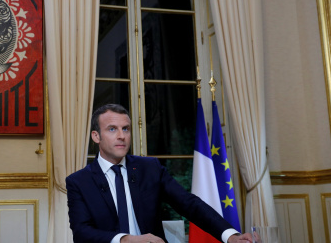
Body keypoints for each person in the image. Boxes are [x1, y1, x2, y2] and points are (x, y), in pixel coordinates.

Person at [66, 104, 253, 243]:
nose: (122, 136)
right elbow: (82, 232)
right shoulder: (79, 181)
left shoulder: (149, 168)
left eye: (126, 129)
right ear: (96, 136)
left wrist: (230, 235)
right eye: (112, 129)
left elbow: (189, 204)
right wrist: (126, 240)